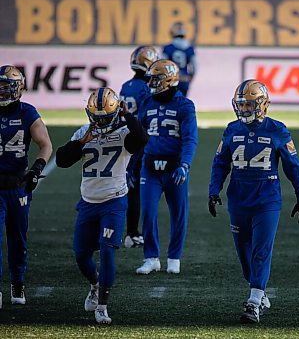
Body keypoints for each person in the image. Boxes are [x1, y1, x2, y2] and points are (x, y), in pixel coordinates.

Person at [208, 79, 299, 324]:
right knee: (244, 255)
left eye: (249, 105)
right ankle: (258, 290)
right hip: (239, 198)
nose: (243, 110)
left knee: (261, 251)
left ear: (263, 104)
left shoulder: (277, 129)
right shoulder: (232, 129)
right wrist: (213, 191)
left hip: (267, 200)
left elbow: (292, 166)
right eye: (240, 105)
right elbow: (220, 163)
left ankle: (253, 303)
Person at [56, 87, 147, 324]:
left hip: (114, 201)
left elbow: (142, 139)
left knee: (107, 251)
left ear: (117, 113)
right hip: (87, 202)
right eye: (97, 118)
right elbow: (62, 160)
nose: (101, 122)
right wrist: (80, 143)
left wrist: (128, 116)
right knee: (81, 255)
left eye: (106, 117)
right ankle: (95, 285)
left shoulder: (125, 132)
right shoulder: (84, 132)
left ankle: (103, 305)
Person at [135, 59, 198, 275]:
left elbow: (190, 139)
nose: (151, 82)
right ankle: (151, 257)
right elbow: (138, 137)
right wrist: (128, 166)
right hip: (150, 167)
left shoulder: (184, 105)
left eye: (156, 78)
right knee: (148, 212)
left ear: (168, 80)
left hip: (174, 168)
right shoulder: (147, 102)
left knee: (178, 213)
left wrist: (185, 165)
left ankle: (174, 257)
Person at [0, 65, 52, 307]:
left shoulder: (27, 112)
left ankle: (17, 282)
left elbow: (45, 144)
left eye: (6, 87)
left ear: (18, 88)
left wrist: (37, 169)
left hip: (18, 186)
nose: (1, 92)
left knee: (17, 238)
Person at [120, 45, 159, 248]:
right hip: (140, 139)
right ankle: (133, 233)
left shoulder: (126, 85)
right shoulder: (146, 88)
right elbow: (145, 117)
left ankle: (129, 231)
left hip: (124, 136)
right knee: (137, 189)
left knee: (128, 187)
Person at [162, 22, 197, 97]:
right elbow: (195, 67)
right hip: (184, 78)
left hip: (171, 79)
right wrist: (190, 78)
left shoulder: (168, 48)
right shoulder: (189, 48)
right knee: (182, 103)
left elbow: (162, 65)